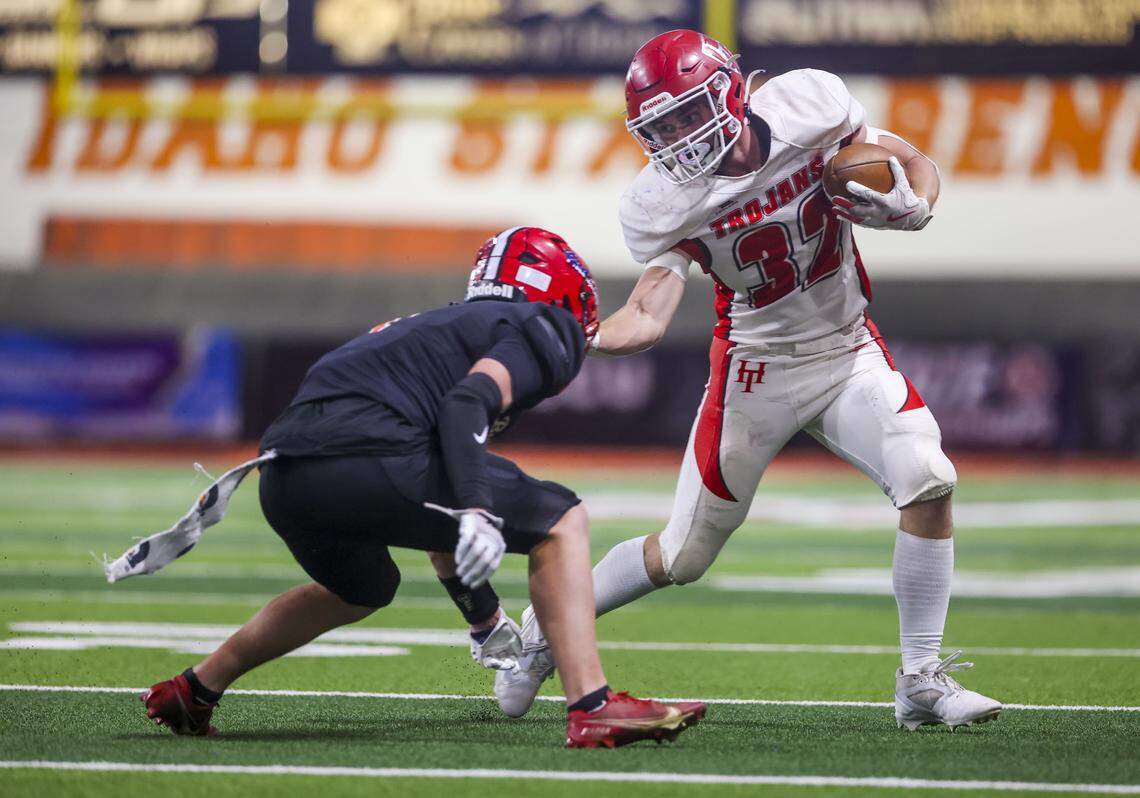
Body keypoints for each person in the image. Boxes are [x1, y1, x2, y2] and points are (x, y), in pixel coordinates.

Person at [490, 30, 1002, 733]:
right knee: (682, 555)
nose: (678, 137)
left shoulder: (809, 104)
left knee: (928, 475)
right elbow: (647, 312)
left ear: (730, 90)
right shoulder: (665, 200)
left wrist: (918, 203)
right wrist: (579, 336)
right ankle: (544, 626)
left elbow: (907, 160)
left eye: (687, 112)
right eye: (660, 126)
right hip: (755, 372)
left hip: (848, 348)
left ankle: (919, 679)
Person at [139, 226, 706, 748]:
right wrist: (480, 508)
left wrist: (483, 619)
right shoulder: (543, 324)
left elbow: (437, 502)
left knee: (362, 587)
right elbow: (467, 407)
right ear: (564, 295)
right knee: (560, 519)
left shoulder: (431, 329)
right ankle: (593, 704)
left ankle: (196, 687)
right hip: (364, 454)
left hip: (283, 471)